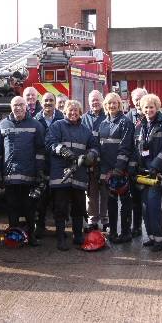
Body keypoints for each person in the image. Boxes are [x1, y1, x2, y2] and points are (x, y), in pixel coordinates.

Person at [0, 96, 46, 246]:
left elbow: (41, 150)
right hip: (9, 177)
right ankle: (14, 236)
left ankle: (31, 236)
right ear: (11, 107)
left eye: (21, 105)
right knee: (12, 207)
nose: (18, 108)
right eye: (15, 105)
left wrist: (40, 171)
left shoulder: (35, 124)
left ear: (26, 106)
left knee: (30, 207)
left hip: (29, 175)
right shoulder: (2, 124)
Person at [46, 100, 99, 251]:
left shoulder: (85, 130)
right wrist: (62, 151)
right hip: (60, 173)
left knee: (79, 206)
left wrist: (91, 155)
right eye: (70, 110)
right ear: (65, 112)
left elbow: (95, 146)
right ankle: (61, 238)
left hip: (79, 173)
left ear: (80, 113)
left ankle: (78, 236)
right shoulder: (57, 126)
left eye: (76, 111)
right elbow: (49, 142)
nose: (73, 113)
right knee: (60, 207)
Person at [135, 94, 162, 251]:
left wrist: (155, 165)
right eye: (145, 107)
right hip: (144, 173)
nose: (148, 110)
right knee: (146, 206)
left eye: (151, 107)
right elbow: (137, 148)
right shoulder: (140, 125)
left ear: (157, 107)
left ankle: (160, 239)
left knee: (156, 205)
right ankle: (152, 237)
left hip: (160, 173)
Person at [97, 92, 134, 243]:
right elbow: (102, 149)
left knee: (125, 203)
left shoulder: (125, 122)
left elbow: (125, 148)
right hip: (108, 171)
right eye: (109, 103)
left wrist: (118, 169)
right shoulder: (103, 123)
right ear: (105, 106)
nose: (112, 106)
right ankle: (113, 232)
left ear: (120, 104)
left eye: (115, 103)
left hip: (121, 170)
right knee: (111, 203)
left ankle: (126, 232)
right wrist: (105, 171)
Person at [33, 92, 64, 237]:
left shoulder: (62, 118)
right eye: (45, 100)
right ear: (41, 102)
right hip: (42, 164)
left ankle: (60, 229)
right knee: (41, 200)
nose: (48, 103)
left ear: (55, 102)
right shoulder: (35, 120)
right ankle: (40, 226)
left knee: (59, 200)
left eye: (51, 100)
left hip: (58, 163)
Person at [82, 90, 108, 231]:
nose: (95, 102)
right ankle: (92, 220)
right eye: (92, 100)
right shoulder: (84, 118)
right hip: (89, 161)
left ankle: (105, 219)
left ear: (102, 100)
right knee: (91, 193)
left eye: (97, 100)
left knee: (104, 191)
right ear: (88, 102)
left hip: (104, 161)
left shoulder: (108, 116)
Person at [125, 87, 147, 237]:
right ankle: (136, 226)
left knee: (148, 199)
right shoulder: (127, 118)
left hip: (147, 165)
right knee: (134, 199)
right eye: (135, 99)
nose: (138, 102)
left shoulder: (150, 115)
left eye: (141, 98)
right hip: (131, 165)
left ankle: (153, 230)